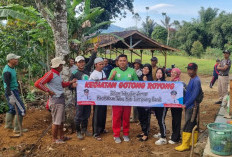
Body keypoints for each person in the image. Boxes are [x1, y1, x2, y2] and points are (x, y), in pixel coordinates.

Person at [34, 57, 76, 144]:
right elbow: (38, 83)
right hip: (56, 100)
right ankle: (54, 139)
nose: (62, 67)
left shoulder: (57, 74)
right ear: (57, 66)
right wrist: (48, 91)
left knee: (60, 120)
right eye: (61, 65)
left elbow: (61, 85)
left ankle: (61, 136)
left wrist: (70, 82)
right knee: (56, 121)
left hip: (60, 98)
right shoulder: (51, 74)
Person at [69, 43, 98, 140]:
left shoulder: (87, 69)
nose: (81, 63)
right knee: (79, 115)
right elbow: (70, 85)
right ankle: (78, 131)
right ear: (76, 63)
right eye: (79, 62)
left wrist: (95, 49)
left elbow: (92, 59)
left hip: (88, 96)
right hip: (79, 97)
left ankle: (84, 129)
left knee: (87, 113)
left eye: (82, 62)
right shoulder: (74, 73)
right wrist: (72, 85)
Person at [109, 54, 139, 143]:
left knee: (126, 117)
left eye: (124, 60)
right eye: (120, 61)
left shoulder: (132, 71)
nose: (122, 62)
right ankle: (116, 135)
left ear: (127, 61)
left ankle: (126, 134)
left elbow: (137, 84)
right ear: (118, 62)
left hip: (127, 99)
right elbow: (107, 84)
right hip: (116, 98)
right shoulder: (114, 70)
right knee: (116, 117)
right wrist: (111, 77)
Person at [175, 63, 202, 151]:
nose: (189, 71)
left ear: (195, 70)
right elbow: (190, 91)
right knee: (193, 122)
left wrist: (186, 104)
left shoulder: (196, 80)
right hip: (190, 105)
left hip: (192, 106)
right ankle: (192, 142)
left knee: (188, 124)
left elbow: (194, 95)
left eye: (191, 69)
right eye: (188, 69)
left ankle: (185, 144)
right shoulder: (192, 79)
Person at [3, 54, 28, 133]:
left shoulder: (12, 68)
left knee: (12, 108)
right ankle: (17, 128)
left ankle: (8, 125)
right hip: (11, 91)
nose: (17, 60)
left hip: (13, 90)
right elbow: (7, 85)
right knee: (21, 109)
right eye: (15, 59)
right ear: (10, 60)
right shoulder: (7, 71)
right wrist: (10, 96)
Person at [89, 57, 108, 141]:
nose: (102, 66)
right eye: (100, 64)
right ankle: (96, 132)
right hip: (97, 97)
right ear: (95, 65)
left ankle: (102, 128)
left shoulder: (103, 72)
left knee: (103, 112)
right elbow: (90, 85)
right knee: (97, 114)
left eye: (102, 64)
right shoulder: (94, 74)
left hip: (103, 96)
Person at [137, 64, 153, 141]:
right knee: (141, 117)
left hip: (146, 102)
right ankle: (143, 131)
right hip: (139, 101)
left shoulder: (150, 79)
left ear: (149, 70)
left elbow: (150, 90)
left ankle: (146, 134)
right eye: (144, 68)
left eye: (147, 69)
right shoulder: (139, 77)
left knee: (146, 117)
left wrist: (146, 82)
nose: (145, 70)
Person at [153, 68, 168, 145]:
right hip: (156, 105)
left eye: (160, 73)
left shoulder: (165, 83)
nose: (158, 74)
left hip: (163, 105)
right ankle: (161, 133)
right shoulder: (154, 82)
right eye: (157, 72)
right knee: (159, 119)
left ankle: (163, 138)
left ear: (163, 74)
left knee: (161, 120)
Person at [168, 68, 183, 144]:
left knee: (177, 120)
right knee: (174, 120)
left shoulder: (178, 83)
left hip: (177, 104)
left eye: (175, 73)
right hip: (173, 104)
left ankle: (176, 138)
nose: (172, 74)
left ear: (178, 74)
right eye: (172, 72)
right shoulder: (172, 81)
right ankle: (175, 135)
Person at [130, 59, 143, 123]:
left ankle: (135, 118)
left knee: (136, 104)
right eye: (135, 64)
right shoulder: (132, 70)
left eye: (138, 64)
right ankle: (135, 116)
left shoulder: (140, 72)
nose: (136, 65)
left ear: (140, 65)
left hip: (137, 89)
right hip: (133, 89)